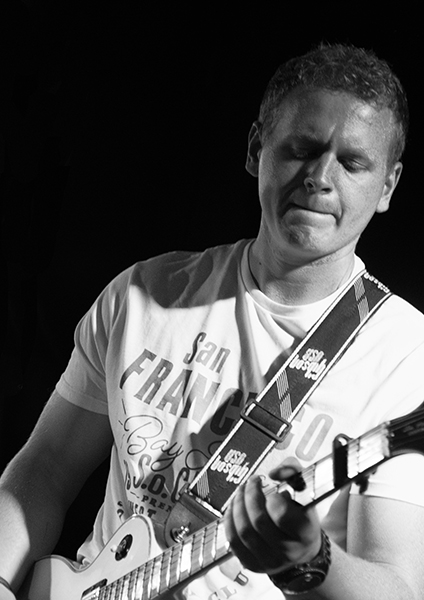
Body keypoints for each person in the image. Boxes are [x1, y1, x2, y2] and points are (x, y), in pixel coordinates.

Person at [1, 42, 424, 600]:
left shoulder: (403, 353)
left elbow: (398, 585)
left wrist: (311, 560)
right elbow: (44, 470)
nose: (320, 177)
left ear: (388, 186)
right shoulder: (142, 293)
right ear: (255, 149)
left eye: (352, 163)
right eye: (302, 148)